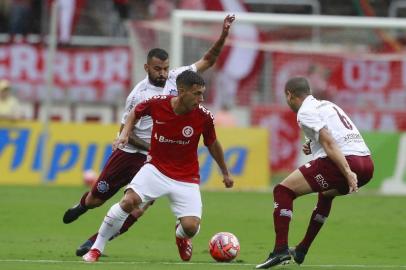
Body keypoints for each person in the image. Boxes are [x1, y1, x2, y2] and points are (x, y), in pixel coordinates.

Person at [62, 14, 235, 257]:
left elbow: (209, 59)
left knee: (137, 207)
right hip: (131, 151)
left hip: (157, 160)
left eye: (165, 68)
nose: (163, 73)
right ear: (147, 68)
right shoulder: (138, 95)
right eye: (157, 69)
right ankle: (82, 205)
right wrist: (146, 143)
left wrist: (224, 34)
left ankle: (95, 242)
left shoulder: (180, 79)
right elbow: (126, 131)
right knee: (97, 199)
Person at [82, 70, 234, 262]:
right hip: (155, 169)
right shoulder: (158, 103)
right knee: (129, 201)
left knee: (191, 227)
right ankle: (96, 248)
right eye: (197, 94)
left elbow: (212, 143)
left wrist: (225, 172)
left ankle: (181, 236)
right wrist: (124, 134)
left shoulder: (204, 117)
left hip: (186, 177)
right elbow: (135, 112)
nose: (201, 99)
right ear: (182, 91)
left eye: (203, 93)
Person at [256, 77, 374, 269]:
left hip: (345, 162)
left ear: (289, 94)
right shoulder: (327, 105)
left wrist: (347, 171)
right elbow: (337, 133)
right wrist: (312, 144)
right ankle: (301, 249)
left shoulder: (305, 112)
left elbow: (329, 142)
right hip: (367, 164)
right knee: (326, 194)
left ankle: (280, 251)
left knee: (283, 191)